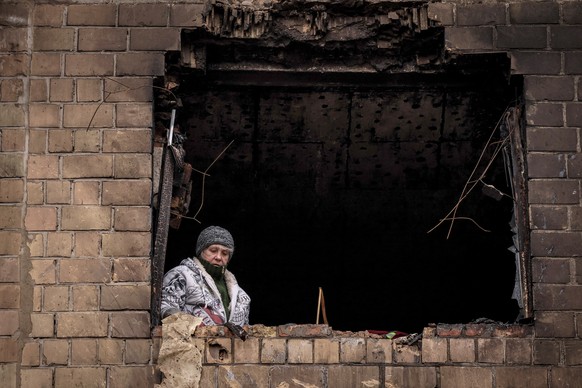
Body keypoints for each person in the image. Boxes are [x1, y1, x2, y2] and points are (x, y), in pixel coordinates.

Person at [160, 226, 251, 327]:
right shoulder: (181, 276)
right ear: (201, 251)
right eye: (213, 250)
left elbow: (246, 331)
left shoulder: (241, 295)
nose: (218, 257)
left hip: (227, 343)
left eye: (225, 253)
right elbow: (165, 309)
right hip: (189, 342)